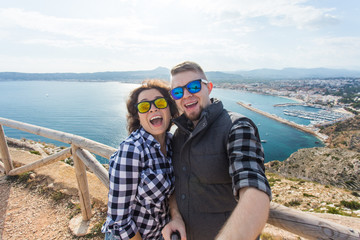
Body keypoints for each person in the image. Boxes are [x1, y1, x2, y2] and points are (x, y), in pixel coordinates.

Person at [162, 61, 272, 240]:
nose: (186, 95)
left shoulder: (236, 127)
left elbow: (254, 190)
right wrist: (175, 216)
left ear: (209, 88)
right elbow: (176, 185)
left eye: (194, 86)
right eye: (178, 91)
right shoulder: (178, 136)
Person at [102, 79, 179, 240]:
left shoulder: (173, 144)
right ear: (138, 116)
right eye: (144, 106)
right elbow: (119, 221)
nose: (153, 108)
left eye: (160, 102)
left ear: (170, 110)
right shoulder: (132, 150)